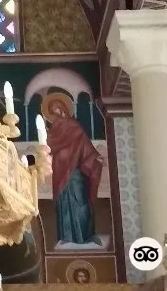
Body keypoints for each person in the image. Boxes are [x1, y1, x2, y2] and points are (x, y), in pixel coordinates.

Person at [45, 93, 103, 247]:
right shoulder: (54, 129)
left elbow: (85, 145)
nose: (57, 111)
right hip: (60, 170)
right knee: (64, 201)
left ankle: (86, 235)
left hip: (76, 171)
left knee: (81, 200)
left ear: (64, 106)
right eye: (53, 110)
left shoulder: (75, 126)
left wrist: (94, 157)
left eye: (58, 107)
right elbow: (49, 146)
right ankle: (66, 236)